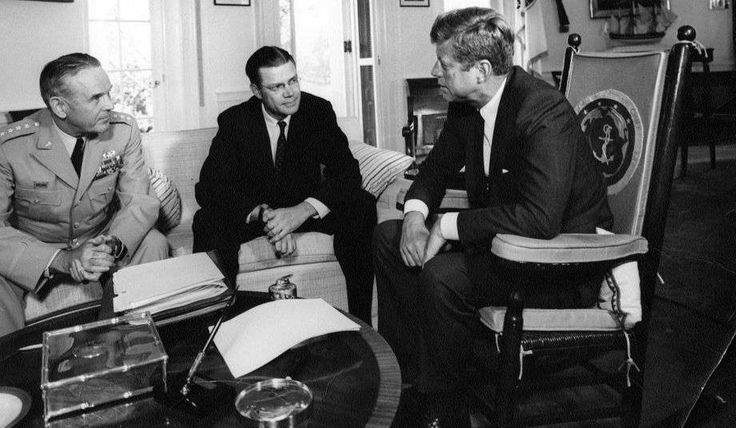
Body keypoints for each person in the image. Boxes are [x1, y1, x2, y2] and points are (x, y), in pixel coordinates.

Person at [373, 8, 614, 426]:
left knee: (443, 275)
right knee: (388, 239)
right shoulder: (467, 106)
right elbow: (435, 170)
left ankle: (445, 409)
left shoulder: (542, 111)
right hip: (506, 245)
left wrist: (448, 226)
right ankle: (414, 379)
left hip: (558, 266)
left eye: (444, 64)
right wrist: (415, 217)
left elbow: (540, 219)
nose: (435, 71)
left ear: (481, 69)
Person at [0, 53, 169, 350]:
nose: (111, 105)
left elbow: (140, 202)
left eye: (109, 93)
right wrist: (62, 260)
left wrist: (112, 244)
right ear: (60, 106)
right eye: (96, 98)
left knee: (153, 242)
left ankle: (128, 354)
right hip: (36, 250)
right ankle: (5, 381)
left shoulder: (123, 131)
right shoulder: (8, 145)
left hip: (100, 239)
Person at [192, 46, 376, 324]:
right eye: (277, 87)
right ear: (256, 91)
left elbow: (348, 173)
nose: (290, 92)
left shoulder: (317, 111)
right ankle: (215, 327)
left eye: (293, 81)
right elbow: (209, 188)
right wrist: (262, 214)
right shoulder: (235, 121)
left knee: (361, 204)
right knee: (207, 220)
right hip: (258, 215)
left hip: (303, 212)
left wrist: (302, 211)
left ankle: (361, 322)